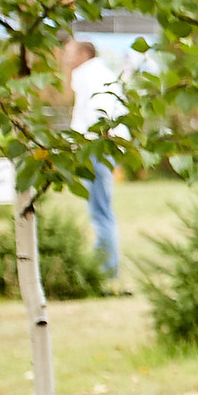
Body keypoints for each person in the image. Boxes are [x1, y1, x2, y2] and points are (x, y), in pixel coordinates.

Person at [59, 39, 126, 276]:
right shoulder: (96, 72)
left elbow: (98, 115)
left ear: (85, 54)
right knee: (100, 207)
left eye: (69, 53)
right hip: (101, 148)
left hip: (97, 149)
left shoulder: (90, 74)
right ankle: (103, 264)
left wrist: (80, 144)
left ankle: (106, 268)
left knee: (100, 210)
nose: (65, 58)